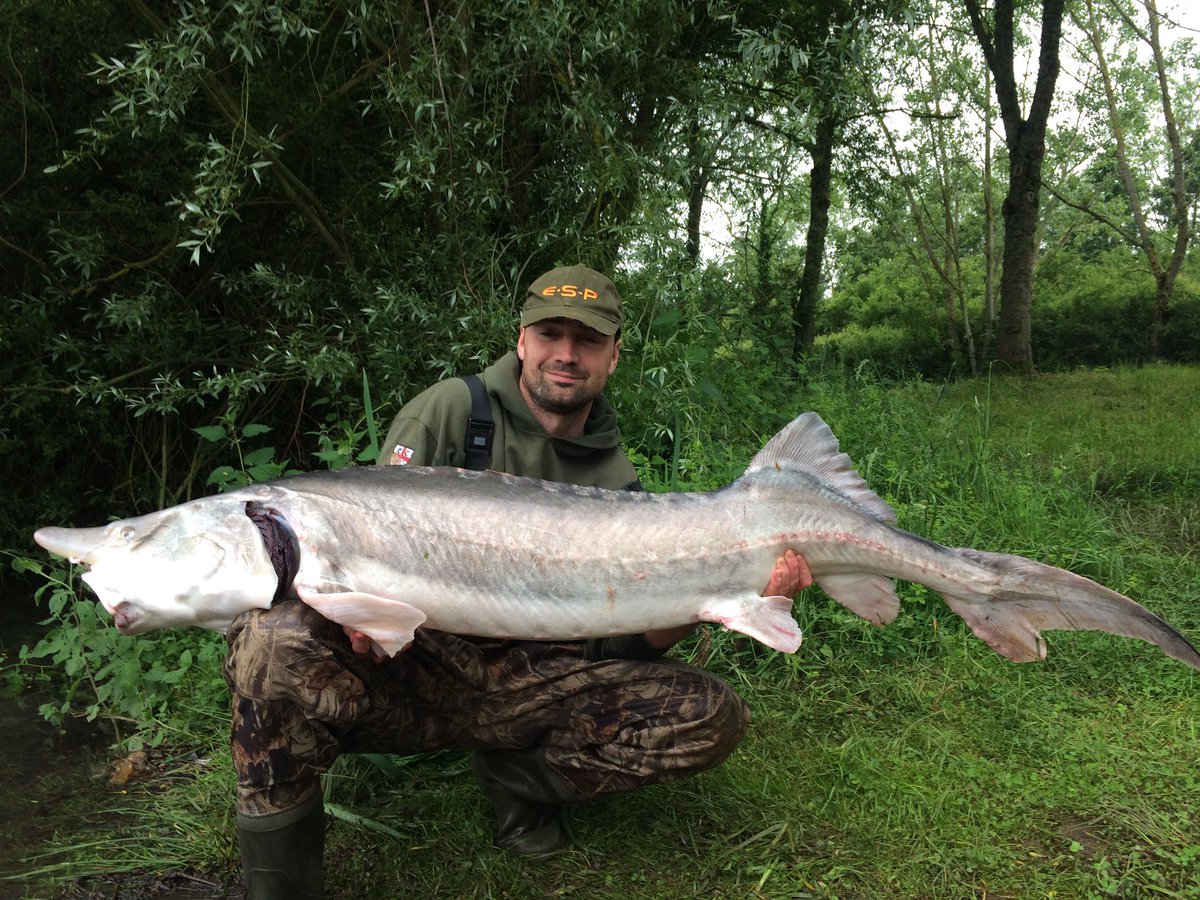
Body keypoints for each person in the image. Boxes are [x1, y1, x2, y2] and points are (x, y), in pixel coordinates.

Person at [223, 265, 812, 898]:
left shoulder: (616, 477)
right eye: (551, 333)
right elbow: (359, 533)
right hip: (415, 665)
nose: (566, 354)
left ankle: (518, 775)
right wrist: (352, 617)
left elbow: (613, 650)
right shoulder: (450, 412)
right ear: (523, 340)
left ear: (613, 356)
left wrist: (705, 596)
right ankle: (278, 886)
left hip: (532, 683)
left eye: (586, 341)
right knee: (271, 638)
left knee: (709, 715)